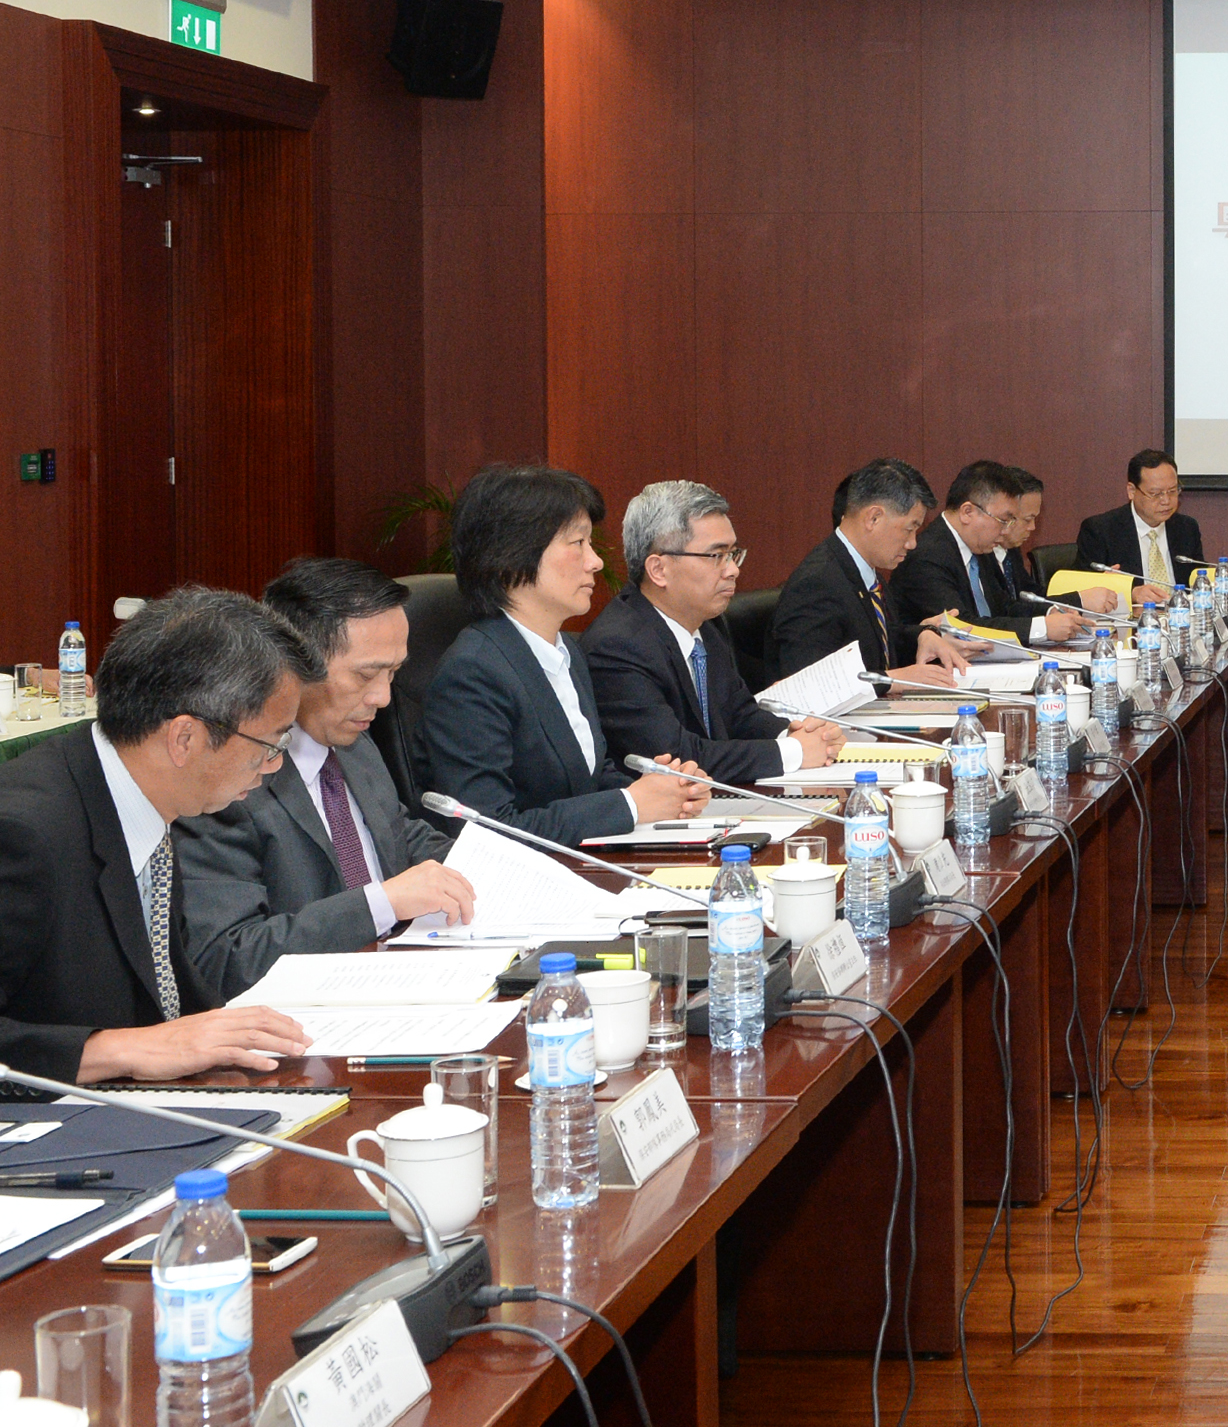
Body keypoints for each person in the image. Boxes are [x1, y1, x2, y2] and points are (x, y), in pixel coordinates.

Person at [0, 590, 318, 1081]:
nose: (273, 766)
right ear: (184, 738)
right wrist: (117, 1049)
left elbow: (169, 997)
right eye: (270, 743)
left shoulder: (145, 798)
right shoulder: (25, 834)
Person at [177, 561, 481, 1003]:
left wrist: (493, 868)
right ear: (294, 666)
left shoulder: (352, 741)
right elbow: (230, 959)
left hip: (406, 981)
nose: (383, 697)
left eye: (394, 673)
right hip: (306, 1013)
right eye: (366, 675)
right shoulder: (229, 777)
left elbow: (397, 834)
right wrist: (380, 904)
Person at [422, 463, 713, 846]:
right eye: (578, 543)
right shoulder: (473, 673)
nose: (596, 561)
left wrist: (660, 792)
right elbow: (486, 831)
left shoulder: (567, 652)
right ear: (513, 554)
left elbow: (588, 778)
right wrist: (629, 805)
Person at [584, 481, 847, 787]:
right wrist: (793, 751)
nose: (733, 570)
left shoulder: (705, 626)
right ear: (658, 570)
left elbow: (740, 715)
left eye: (733, 554)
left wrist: (795, 733)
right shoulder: (617, 647)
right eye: (716, 556)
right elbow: (677, 758)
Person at [771, 458, 976, 687]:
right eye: (909, 529)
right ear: (873, 518)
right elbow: (809, 684)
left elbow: (878, 644)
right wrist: (891, 680)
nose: (912, 543)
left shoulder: (865, 571)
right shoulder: (816, 584)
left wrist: (922, 635)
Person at [891, 461, 1090, 647]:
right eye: (1003, 520)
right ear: (967, 512)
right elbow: (962, 626)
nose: (1006, 531)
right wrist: (1041, 628)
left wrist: (1050, 611)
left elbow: (1004, 607)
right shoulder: (926, 556)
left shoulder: (978, 546)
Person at [1075, 450, 1206, 607]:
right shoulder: (1100, 530)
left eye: (1172, 491)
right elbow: (1081, 592)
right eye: (1155, 494)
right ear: (1132, 491)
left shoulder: (1186, 528)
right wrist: (1130, 593)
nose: (1166, 500)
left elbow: (1197, 579)